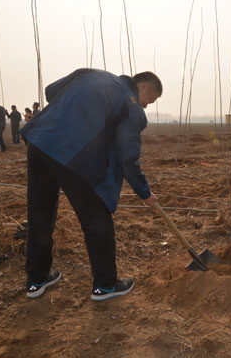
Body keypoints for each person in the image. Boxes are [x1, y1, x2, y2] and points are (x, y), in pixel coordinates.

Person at [20, 69, 162, 302]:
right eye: (150, 100)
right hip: (73, 154)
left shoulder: (90, 74)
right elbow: (127, 157)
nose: (146, 106)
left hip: (40, 141)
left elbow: (50, 92)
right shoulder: (131, 104)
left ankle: (36, 279)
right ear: (143, 86)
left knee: (40, 214)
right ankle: (105, 285)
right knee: (97, 216)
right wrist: (144, 193)